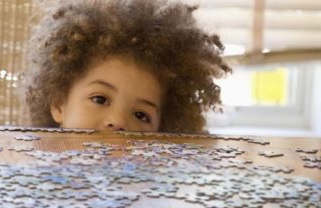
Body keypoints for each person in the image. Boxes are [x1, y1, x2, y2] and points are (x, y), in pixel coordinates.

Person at [23, 0, 231, 133]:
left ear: (162, 131)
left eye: (141, 115)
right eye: (100, 99)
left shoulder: (157, 197)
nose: (118, 121)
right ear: (59, 105)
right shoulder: (29, 181)